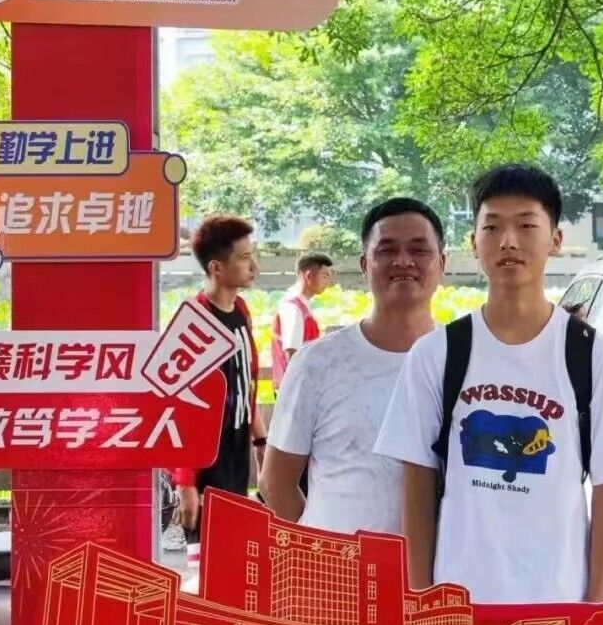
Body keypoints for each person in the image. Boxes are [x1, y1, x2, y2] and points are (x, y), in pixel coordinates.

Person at [374, 164, 603, 605]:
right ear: (474, 242)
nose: (508, 241)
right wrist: (422, 599)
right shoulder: (436, 354)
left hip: (560, 600)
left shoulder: (593, 356)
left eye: (526, 225)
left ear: (555, 239)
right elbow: (417, 485)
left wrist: (596, 610)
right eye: (492, 227)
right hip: (459, 603)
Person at [259, 198, 446, 536]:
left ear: (442, 263)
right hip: (339, 566)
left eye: (419, 250)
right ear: (364, 264)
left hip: (435, 568)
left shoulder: (462, 360)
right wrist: (319, 549)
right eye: (387, 250)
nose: (403, 261)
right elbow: (275, 483)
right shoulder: (317, 363)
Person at [173, 214, 268, 543]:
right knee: (203, 557)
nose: (253, 266)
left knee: (233, 553)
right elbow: (179, 405)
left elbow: (246, 382)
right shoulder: (195, 320)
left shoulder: (241, 311)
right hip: (205, 463)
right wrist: (185, 482)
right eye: (244, 257)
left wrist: (261, 442)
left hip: (237, 453)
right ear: (216, 268)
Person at [271, 252, 334, 392]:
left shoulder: (301, 304)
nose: (328, 282)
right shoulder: (293, 307)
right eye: (325, 276)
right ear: (309, 276)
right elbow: (292, 352)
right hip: (295, 387)